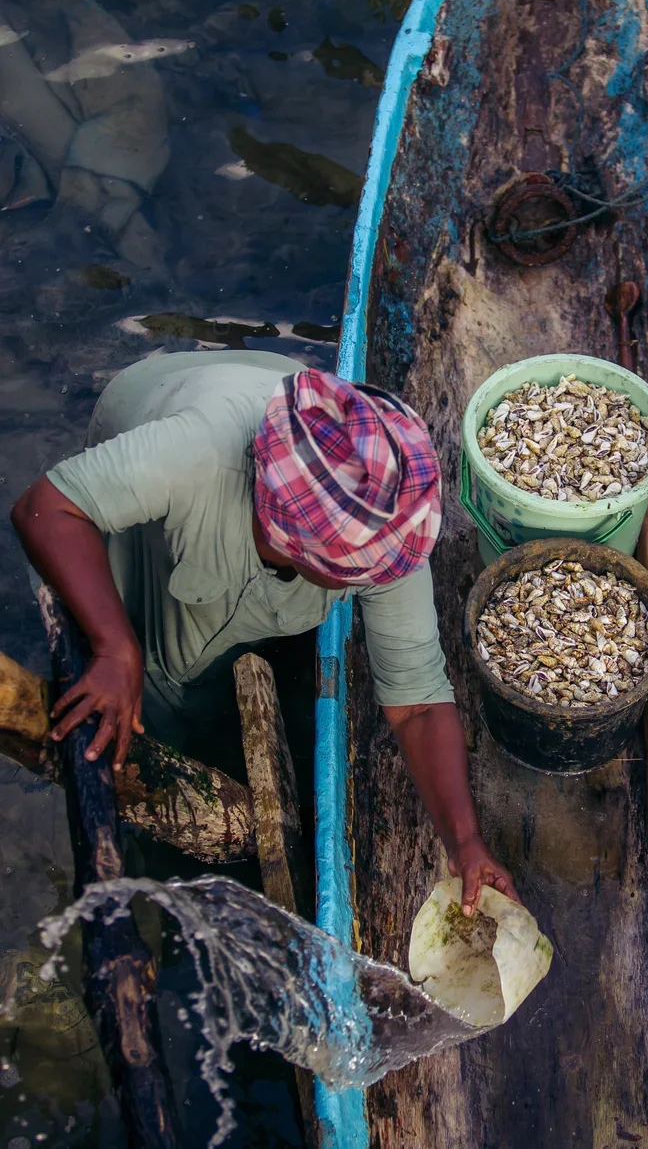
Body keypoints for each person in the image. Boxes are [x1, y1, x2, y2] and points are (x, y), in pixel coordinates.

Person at [11, 350, 516, 916]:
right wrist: (114, 646)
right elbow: (47, 507)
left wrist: (464, 841)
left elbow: (418, 702)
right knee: (142, 641)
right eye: (357, 568)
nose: (383, 575)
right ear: (293, 545)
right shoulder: (195, 456)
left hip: (293, 449)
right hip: (147, 411)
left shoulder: (382, 521)